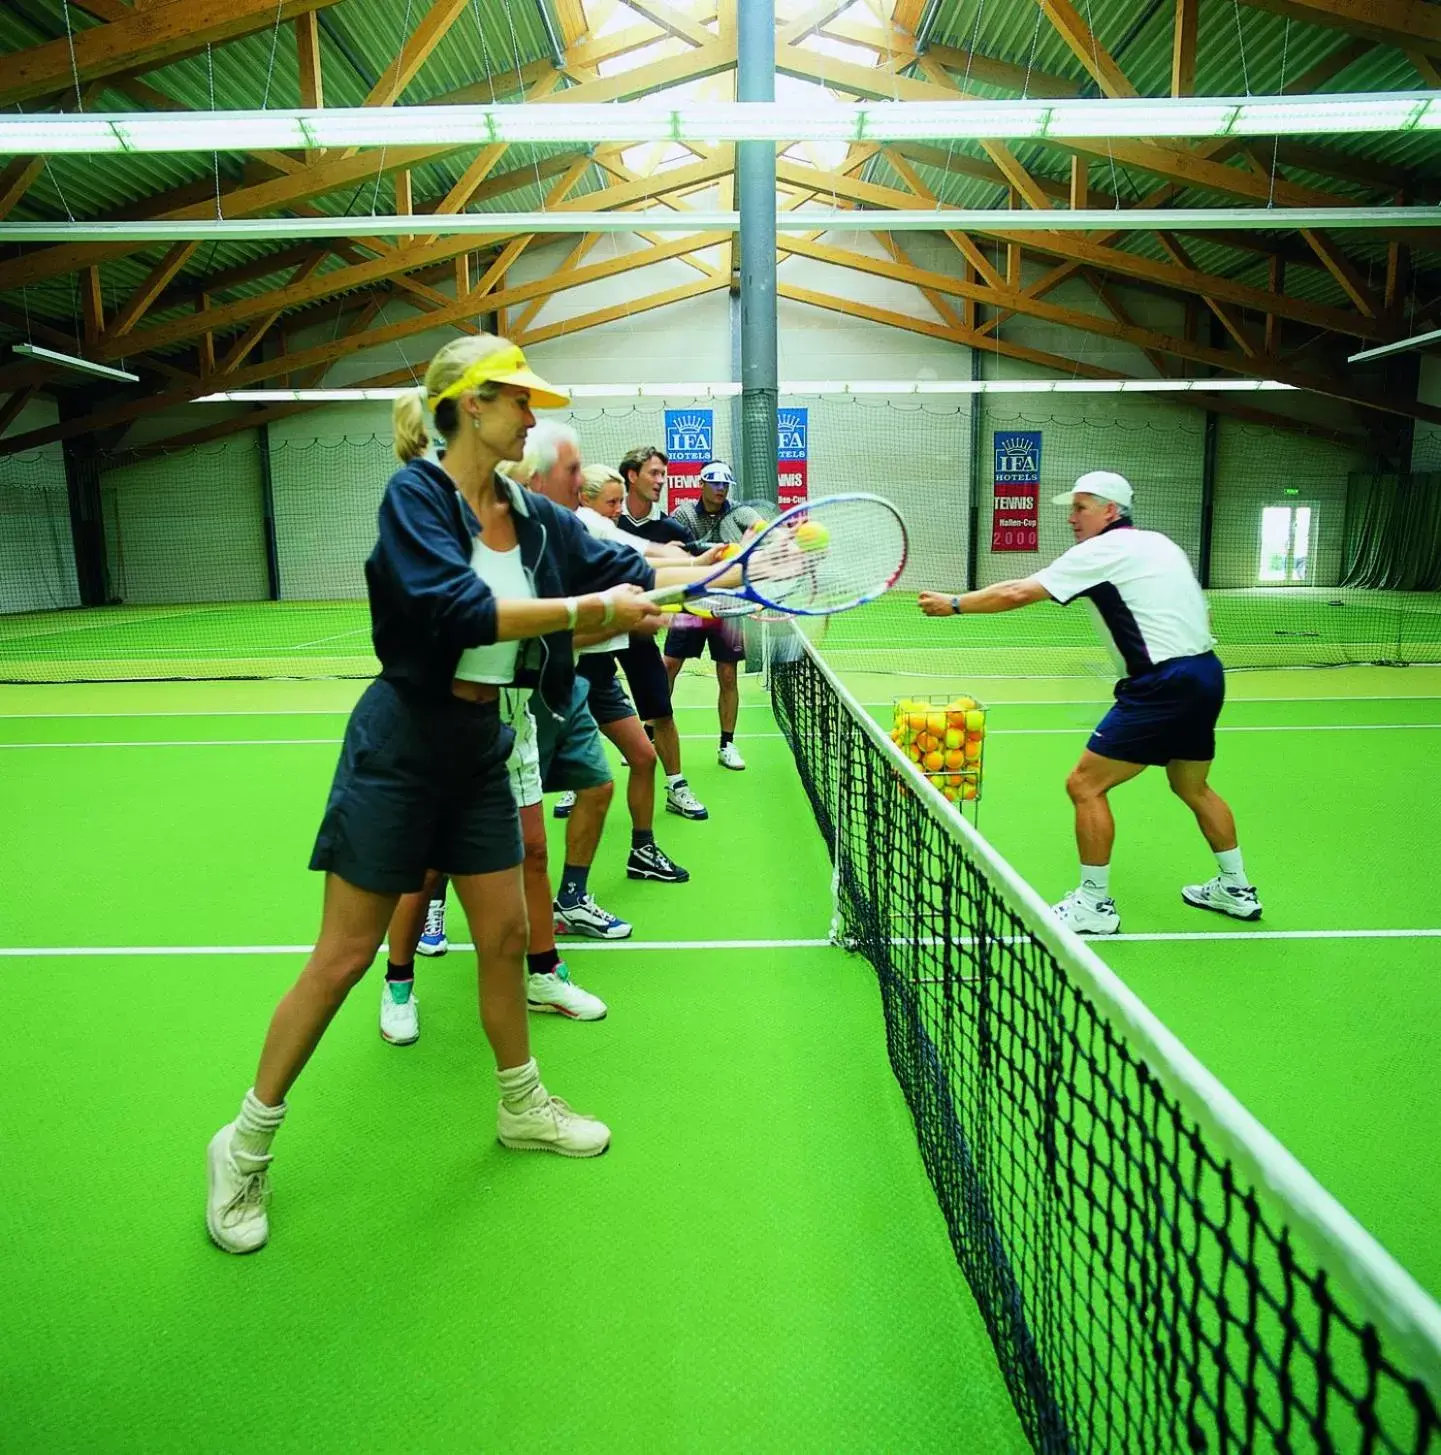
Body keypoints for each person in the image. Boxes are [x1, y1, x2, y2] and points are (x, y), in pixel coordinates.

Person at [205, 335, 667, 1255]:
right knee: (343, 957)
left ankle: (522, 1107)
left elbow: (636, 576)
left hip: (478, 746)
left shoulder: (532, 515)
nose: (533, 418)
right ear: (466, 405)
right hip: (400, 745)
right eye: (518, 401)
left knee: (501, 936)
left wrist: (735, 573)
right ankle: (244, 1144)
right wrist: (591, 611)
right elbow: (455, 609)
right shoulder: (415, 496)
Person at [918, 469, 1261, 935]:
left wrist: (954, 604)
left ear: (1111, 511)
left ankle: (1094, 906)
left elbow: (1019, 592)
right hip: (1205, 672)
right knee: (1191, 785)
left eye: (1081, 508)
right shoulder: (1161, 544)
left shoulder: (1102, 551)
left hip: (1162, 683)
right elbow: (1202, 608)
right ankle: (1236, 889)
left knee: (1084, 785)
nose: (1072, 519)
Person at [611, 443, 709, 819]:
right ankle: (573, 784)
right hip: (594, 632)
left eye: (663, 475)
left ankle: (677, 786)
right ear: (631, 476)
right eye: (653, 473)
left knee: (661, 711)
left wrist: (739, 555)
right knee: (578, 708)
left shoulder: (670, 528)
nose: (661, 482)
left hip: (638, 636)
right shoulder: (606, 523)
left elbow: (697, 560)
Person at [666, 460, 765, 772]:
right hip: (691, 602)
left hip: (727, 605)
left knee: (727, 674)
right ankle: (651, 733)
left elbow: (762, 535)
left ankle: (727, 744)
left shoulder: (741, 514)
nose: (721, 489)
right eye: (715, 483)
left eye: (725, 484)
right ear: (702, 484)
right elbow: (670, 551)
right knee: (667, 667)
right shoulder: (683, 515)